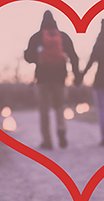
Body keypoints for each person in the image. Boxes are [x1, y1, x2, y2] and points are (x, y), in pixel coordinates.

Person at [24, 10, 80, 149]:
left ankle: (47, 141)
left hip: (42, 79)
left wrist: (34, 55)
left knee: (44, 110)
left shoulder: (37, 37)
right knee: (59, 106)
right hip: (60, 78)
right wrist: (77, 76)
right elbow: (74, 56)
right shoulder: (63, 37)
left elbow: (28, 57)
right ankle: (61, 129)